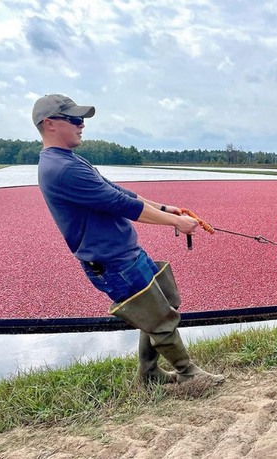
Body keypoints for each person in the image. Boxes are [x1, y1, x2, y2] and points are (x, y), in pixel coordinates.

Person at [32, 94, 224, 386]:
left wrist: (164, 208)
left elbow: (119, 191)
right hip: (112, 262)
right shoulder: (62, 169)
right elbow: (120, 204)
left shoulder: (69, 160)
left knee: (163, 304)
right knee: (158, 319)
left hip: (125, 252)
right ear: (50, 124)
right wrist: (176, 222)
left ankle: (149, 374)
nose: (82, 124)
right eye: (74, 119)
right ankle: (189, 376)